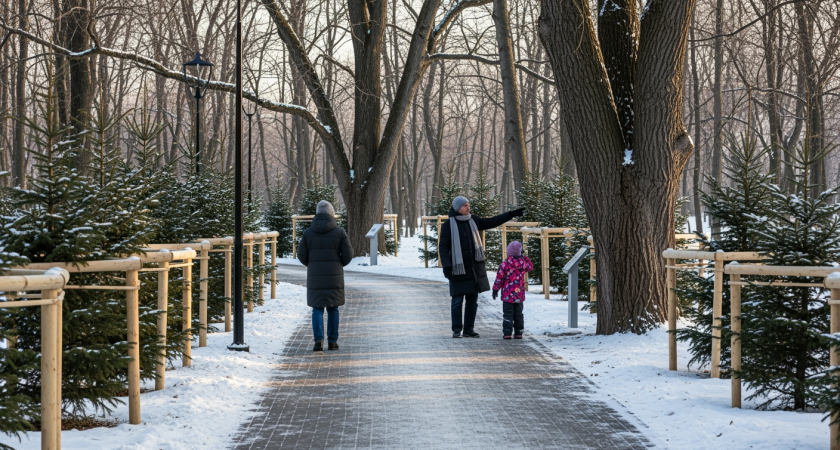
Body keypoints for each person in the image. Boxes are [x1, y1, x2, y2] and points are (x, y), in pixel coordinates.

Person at [439, 196, 525, 338]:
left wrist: (510, 214)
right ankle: (456, 329)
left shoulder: (474, 220)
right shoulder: (448, 225)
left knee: (472, 302)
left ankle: (469, 329)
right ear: (458, 208)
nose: (468, 207)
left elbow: (492, 221)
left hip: (474, 269)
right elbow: (443, 248)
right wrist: (447, 267)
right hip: (458, 269)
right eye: (465, 205)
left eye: (468, 205)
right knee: (457, 301)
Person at [297, 200, 353, 351]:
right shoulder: (340, 232)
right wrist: (338, 263)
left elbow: (301, 255)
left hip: (315, 276)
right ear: (332, 214)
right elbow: (348, 255)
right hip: (334, 276)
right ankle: (332, 342)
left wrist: (312, 264)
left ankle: (318, 341)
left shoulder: (308, 233)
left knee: (317, 308)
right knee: (333, 309)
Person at [492, 241, 533, 339]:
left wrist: (495, 289)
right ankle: (518, 332)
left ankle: (507, 333)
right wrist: (523, 257)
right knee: (519, 314)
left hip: (508, 295)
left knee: (508, 314)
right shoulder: (523, 264)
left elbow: (499, 278)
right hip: (519, 294)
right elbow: (530, 266)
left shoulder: (505, 264)